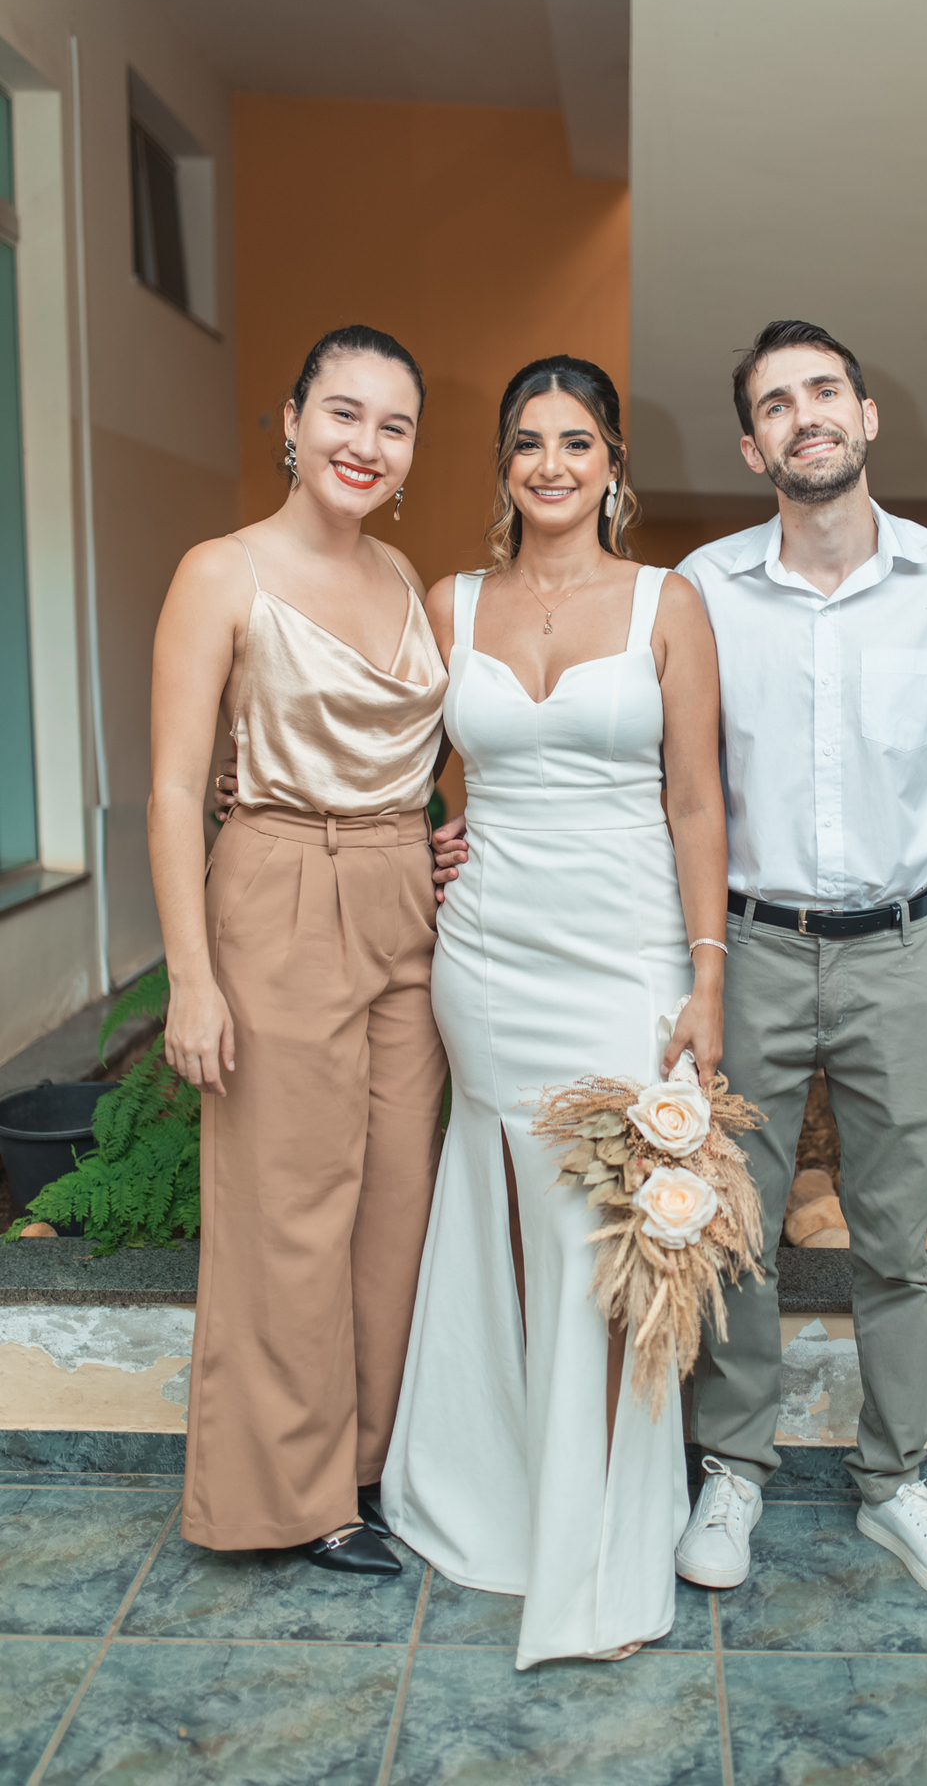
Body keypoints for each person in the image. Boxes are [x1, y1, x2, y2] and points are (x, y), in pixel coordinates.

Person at [667, 320, 927, 1605]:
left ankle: (896, 1485)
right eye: (776, 402)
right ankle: (734, 1469)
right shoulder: (704, 588)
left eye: (825, 390)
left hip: (899, 954)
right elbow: (658, 776)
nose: (805, 414)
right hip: (750, 950)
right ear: (751, 446)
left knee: (896, 1238)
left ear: (867, 417)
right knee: (733, 1228)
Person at [379, 356, 729, 1668]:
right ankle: (497, 1492)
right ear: (505, 464)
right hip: (487, 955)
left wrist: (707, 975)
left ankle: (605, 1530)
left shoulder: (668, 604)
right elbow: (396, 765)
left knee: (608, 1234)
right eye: (527, 442)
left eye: (575, 441)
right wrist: (419, 836)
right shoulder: (450, 601)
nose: (550, 464)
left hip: (625, 953)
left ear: (612, 462)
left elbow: (696, 799)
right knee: (500, 1212)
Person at [149, 325, 450, 1575]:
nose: (365, 443)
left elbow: (418, 751)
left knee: (395, 1203)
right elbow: (177, 788)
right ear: (291, 421)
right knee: (286, 1208)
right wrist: (191, 978)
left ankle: (366, 1465)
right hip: (276, 885)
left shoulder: (405, 576)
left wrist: (441, 835)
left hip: (402, 898)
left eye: (394, 424)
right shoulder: (220, 572)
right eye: (342, 413)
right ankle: (287, 1496)